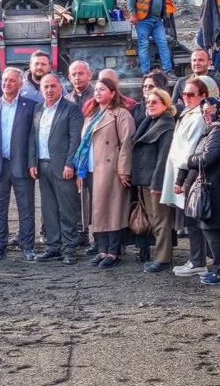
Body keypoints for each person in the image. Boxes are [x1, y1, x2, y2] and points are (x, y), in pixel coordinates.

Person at [75, 77, 135, 268]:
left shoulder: (121, 114)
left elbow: (127, 143)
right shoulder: (91, 115)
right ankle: (101, 249)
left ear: (113, 93)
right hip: (91, 168)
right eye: (97, 90)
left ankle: (114, 252)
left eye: (102, 89)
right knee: (98, 211)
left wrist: (124, 170)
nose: (98, 92)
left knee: (113, 211)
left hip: (111, 169)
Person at [176, 98, 220, 284]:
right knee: (210, 230)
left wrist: (189, 159)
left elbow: (208, 157)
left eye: (210, 111)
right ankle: (219, 268)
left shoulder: (219, 130)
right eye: (204, 112)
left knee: (213, 230)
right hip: (211, 185)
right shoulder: (214, 129)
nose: (206, 115)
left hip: (214, 186)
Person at [0, 67, 37, 260]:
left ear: (20, 84)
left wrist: (32, 163)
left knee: (26, 208)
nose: (6, 84)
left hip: (22, 166)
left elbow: (33, 138)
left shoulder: (30, 106)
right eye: (4, 80)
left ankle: (28, 246)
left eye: (12, 81)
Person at [31, 74, 84, 264]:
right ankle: (54, 247)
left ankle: (69, 249)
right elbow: (33, 139)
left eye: (53, 86)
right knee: (49, 209)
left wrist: (70, 163)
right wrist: (32, 163)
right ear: (40, 89)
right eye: (45, 86)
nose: (49, 90)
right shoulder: (37, 109)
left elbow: (75, 139)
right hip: (42, 166)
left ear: (61, 87)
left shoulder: (71, 109)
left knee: (67, 209)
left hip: (63, 168)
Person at [159, 77, 208, 276]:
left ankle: (198, 261)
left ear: (203, 96)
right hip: (181, 170)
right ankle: (196, 260)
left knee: (193, 220)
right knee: (189, 218)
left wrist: (181, 179)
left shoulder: (198, 117)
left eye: (191, 94)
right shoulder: (188, 113)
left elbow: (190, 149)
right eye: (184, 94)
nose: (186, 97)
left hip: (188, 173)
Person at [134, 88, 177, 273]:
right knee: (154, 219)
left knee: (161, 220)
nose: (150, 105)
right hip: (145, 179)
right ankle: (160, 256)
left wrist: (157, 184)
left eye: (155, 102)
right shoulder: (150, 121)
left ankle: (163, 258)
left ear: (165, 105)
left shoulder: (166, 125)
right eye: (148, 101)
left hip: (155, 181)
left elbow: (163, 157)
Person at [127, 0, 187, 77]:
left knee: (163, 43)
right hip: (143, 20)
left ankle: (168, 70)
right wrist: (133, 14)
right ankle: (146, 72)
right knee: (144, 45)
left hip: (158, 20)